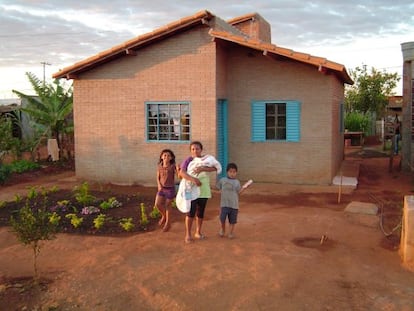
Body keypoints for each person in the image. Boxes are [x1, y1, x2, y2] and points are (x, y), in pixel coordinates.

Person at [179, 141, 221, 243]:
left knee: (200, 211)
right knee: (190, 212)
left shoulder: (206, 160)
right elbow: (182, 173)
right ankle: (188, 234)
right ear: (190, 151)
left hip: (204, 188)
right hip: (191, 188)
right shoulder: (188, 160)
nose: (195, 151)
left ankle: (198, 232)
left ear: (201, 150)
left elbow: (215, 167)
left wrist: (203, 168)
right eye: (193, 149)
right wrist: (194, 180)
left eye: (197, 148)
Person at [216, 163, 249, 239]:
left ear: (236, 173)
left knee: (232, 220)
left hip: (234, 205)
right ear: (227, 172)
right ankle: (223, 229)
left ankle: (230, 233)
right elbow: (218, 187)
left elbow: (239, 192)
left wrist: (245, 187)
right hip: (224, 204)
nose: (232, 174)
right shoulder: (222, 180)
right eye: (230, 171)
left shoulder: (237, 182)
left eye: (234, 172)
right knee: (222, 218)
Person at [155, 149, 177, 232]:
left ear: (171, 158)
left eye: (168, 156)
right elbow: (158, 177)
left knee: (168, 205)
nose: (166, 157)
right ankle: (164, 216)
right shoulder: (160, 166)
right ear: (161, 157)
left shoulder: (172, 166)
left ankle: (168, 224)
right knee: (157, 204)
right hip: (162, 188)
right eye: (164, 155)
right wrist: (159, 185)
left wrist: (178, 170)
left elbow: (178, 175)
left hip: (170, 189)